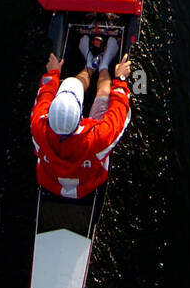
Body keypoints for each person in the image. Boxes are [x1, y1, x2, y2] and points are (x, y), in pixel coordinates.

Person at [31, 45, 133, 200]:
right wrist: (120, 79)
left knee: (72, 83)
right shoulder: (98, 138)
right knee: (105, 96)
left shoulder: (38, 127)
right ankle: (103, 66)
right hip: (89, 183)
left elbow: (43, 96)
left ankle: (89, 66)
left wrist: (53, 73)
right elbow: (119, 113)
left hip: (50, 181)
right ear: (81, 117)